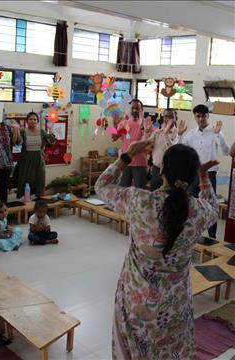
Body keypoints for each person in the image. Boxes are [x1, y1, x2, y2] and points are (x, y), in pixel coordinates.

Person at [95, 141, 218, 359]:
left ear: (162, 170)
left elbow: (101, 186)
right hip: (176, 306)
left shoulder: (140, 202)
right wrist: (203, 176)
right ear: (190, 177)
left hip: (137, 303)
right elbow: (213, 208)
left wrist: (127, 156)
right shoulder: (200, 211)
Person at [178, 104, 230, 238]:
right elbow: (179, 151)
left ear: (208, 116)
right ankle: (191, 234)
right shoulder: (191, 134)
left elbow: (226, 151)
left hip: (210, 176)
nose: (201, 119)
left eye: (203, 116)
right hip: (194, 176)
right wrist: (179, 135)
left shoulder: (215, 132)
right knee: (191, 205)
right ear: (195, 117)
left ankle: (212, 237)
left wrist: (219, 135)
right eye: (198, 116)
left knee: (211, 207)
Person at [112, 99, 153, 189]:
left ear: (141, 110)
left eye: (137, 108)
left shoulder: (147, 123)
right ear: (129, 109)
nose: (135, 110)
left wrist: (143, 127)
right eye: (133, 108)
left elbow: (151, 141)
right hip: (125, 162)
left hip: (140, 162)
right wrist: (115, 125)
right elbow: (114, 138)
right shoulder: (124, 123)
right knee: (123, 189)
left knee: (140, 190)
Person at [14, 112, 56, 199]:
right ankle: (26, 202)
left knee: (39, 181)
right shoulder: (23, 131)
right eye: (30, 119)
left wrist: (50, 128)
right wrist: (16, 130)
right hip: (26, 162)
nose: (32, 121)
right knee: (26, 182)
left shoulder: (41, 132)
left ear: (37, 121)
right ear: (27, 121)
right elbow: (18, 142)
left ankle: (39, 202)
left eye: (35, 119)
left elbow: (51, 143)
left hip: (39, 161)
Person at [0, 118, 21, 203]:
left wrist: (16, 129)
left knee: (3, 185)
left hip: (6, 160)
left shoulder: (7, 126)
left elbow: (13, 143)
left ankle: (4, 207)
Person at [149, 109, 178, 190]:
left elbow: (172, 149)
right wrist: (146, 132)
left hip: (171, 171)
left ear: (175, 118)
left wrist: (166, 133)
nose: (168, 119)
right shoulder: (157, 132)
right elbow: (147, 146)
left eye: (171, 117)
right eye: (166, 116)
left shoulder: (179, 133)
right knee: (154, 194)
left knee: (169, 197)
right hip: (156, 169)